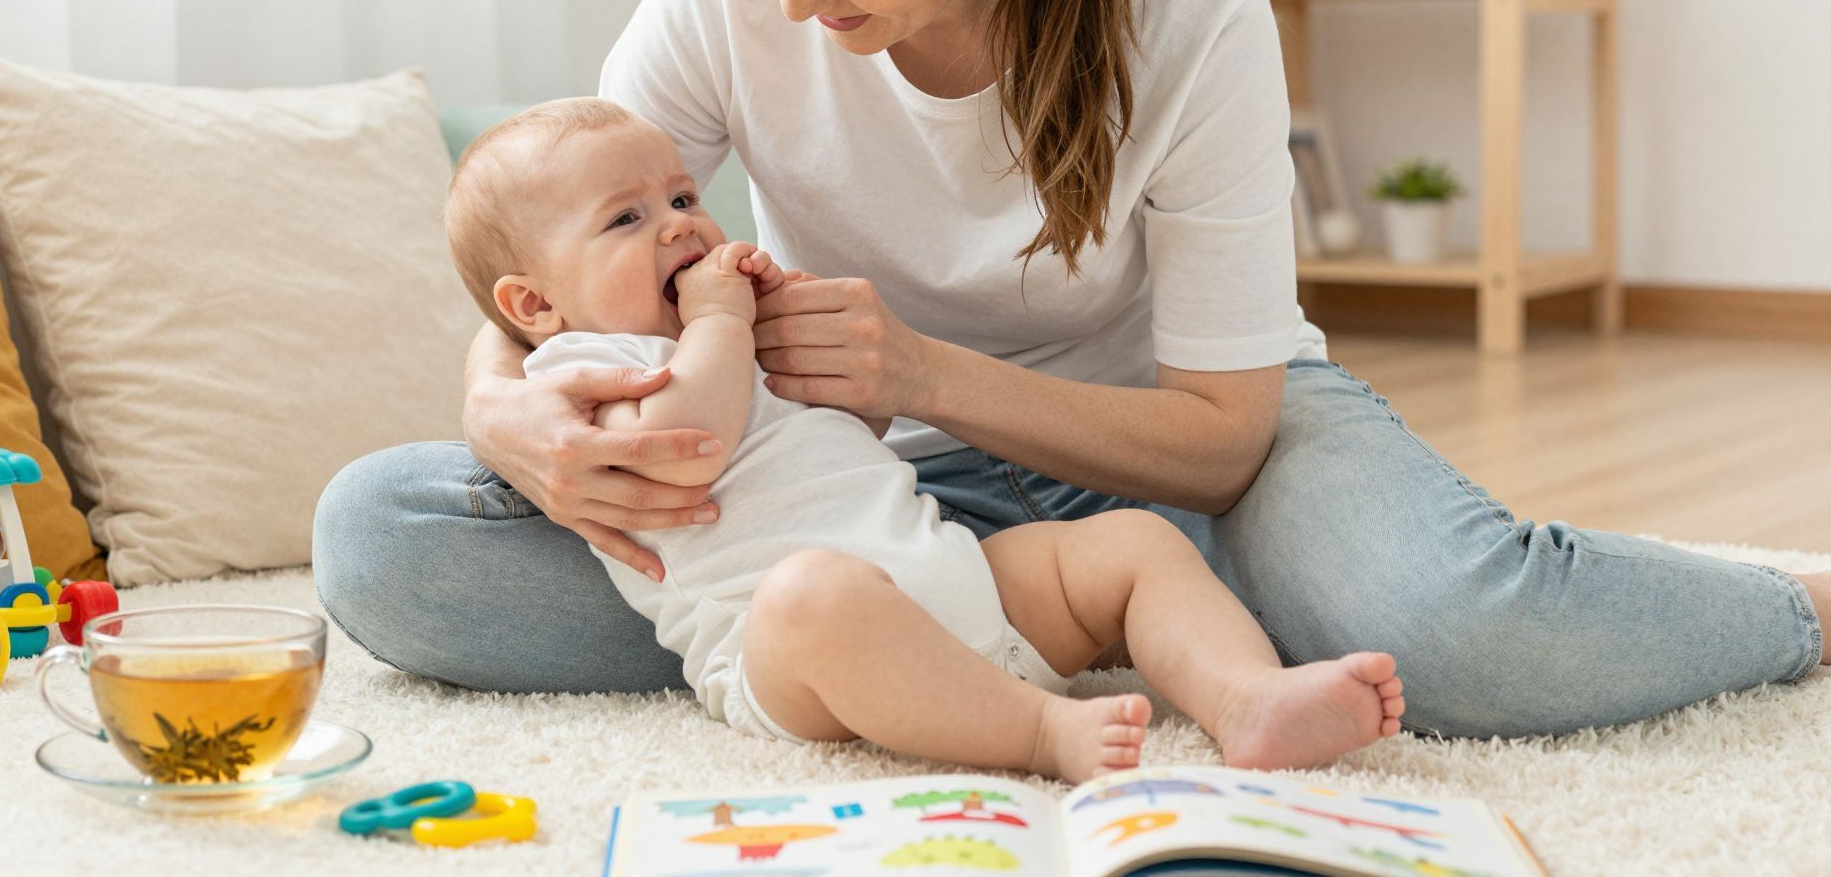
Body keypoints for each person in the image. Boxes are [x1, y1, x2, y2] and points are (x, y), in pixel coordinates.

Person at [312, 0, 1826, 737]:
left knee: (1462, 633)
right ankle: (1096, 616)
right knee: (383, 540)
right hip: (872, 494)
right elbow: (558, 241)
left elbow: (1228, 433)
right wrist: (512, 421)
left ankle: (1782, 600)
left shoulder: (1194, 10)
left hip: (1196, 446)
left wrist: (922, 375)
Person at [438, 96, 1406, 780]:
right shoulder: (574, 369)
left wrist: (799, 351)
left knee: (1131, 546)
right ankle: (1036, 733)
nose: (679, 230)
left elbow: (849, 438)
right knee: (812, 592)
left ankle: (1245, 700)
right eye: (626, 219)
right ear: (534, 304)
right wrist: (723, 327)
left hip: (949, 572)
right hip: (790, 652)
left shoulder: (714, 329)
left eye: (685, 199)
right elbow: (686, 439)